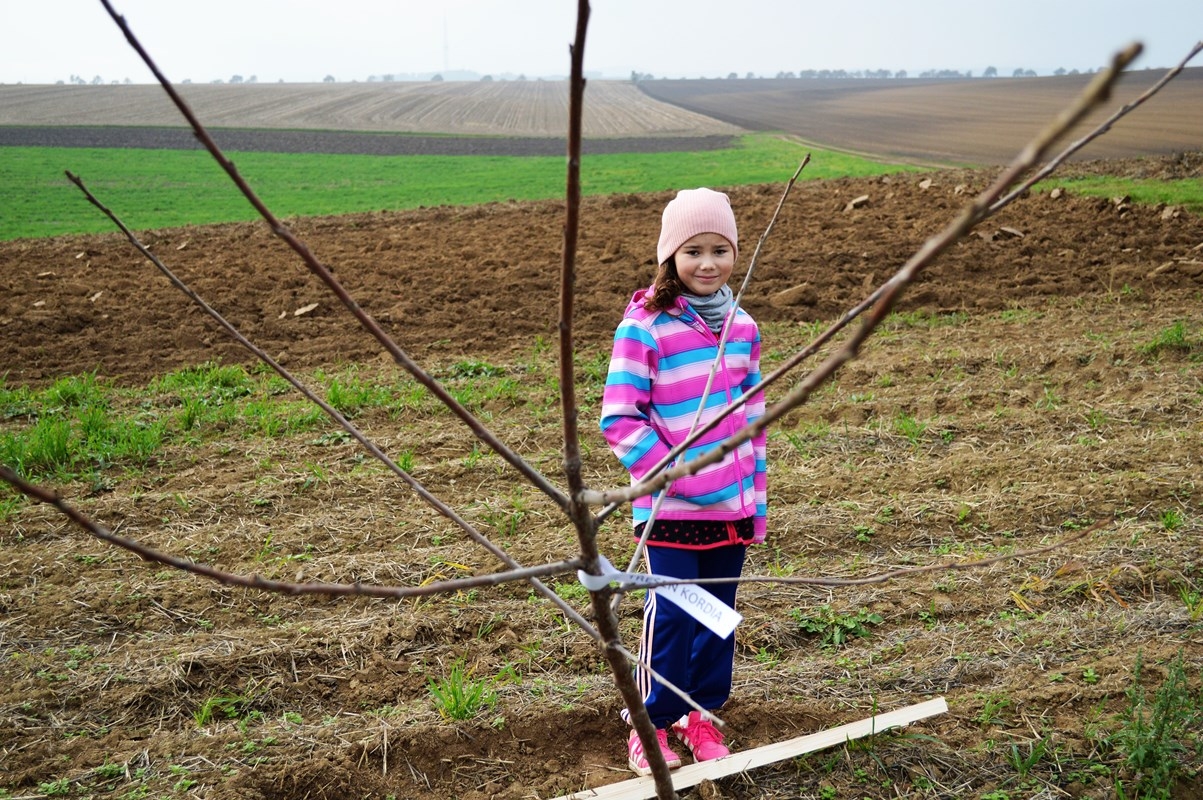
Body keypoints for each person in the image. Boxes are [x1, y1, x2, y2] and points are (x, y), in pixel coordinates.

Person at [600, 187, 767, 776]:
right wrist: (674, 475)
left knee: (718, 617)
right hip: (671, 510)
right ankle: (651, 725)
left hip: (730, 510)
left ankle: (700, 716)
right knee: (671, 618)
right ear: (670, 255)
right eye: (693, 250)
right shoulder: (644, 326)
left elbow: (754, 423)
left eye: (719, 249)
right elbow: (620, 419)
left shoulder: (742, 326)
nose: (707, 263)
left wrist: (755, 501)